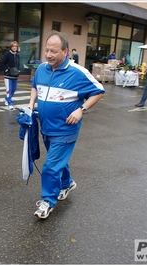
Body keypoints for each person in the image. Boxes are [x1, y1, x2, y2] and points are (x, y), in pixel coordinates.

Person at [28, 31, 105, 219]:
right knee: (58, 161)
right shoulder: (42, 69)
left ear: (65, 52)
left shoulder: (78, 72)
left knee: (51, 166)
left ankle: (47, 201)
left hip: (65, 129)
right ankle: (67, 183)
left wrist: (81, 110)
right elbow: (34, 86)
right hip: (46, 127)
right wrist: (30, 106)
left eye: (53, 51)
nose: (48, 54)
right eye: (46, 50)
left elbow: (99, 91)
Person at [0, 41, 20, 110]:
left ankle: (6, 99)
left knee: (14, 89)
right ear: (11, 47)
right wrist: (6, 70)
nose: (14, 47)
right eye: (13, 46)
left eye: (16, 46)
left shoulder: (17, 55)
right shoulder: (7, 54)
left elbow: (18, 64)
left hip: (15, 75)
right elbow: (2, 62)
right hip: (8, 76)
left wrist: (18, 70)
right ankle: (10, 103)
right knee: (9, 90)